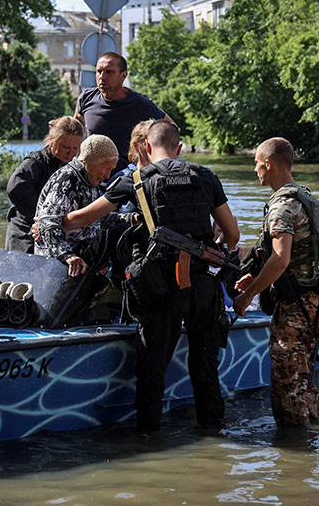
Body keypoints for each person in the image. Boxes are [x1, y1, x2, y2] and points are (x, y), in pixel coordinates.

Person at [58, 120, 239, 431]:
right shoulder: (206, 176)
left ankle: (148, 440)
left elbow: (81, 219)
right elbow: (232, 234)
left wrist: (49, 222)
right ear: (179, 149)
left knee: (152, 369)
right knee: (206, 367)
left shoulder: (137, 180)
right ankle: (213, 435)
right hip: (203, 288)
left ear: (146, 148)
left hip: (160, 288)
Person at [232, 138, 319, 428]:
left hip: (294, 311)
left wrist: (249, 294)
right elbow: (292, 260)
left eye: (256, 163)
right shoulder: (302, 197)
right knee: (302, 382)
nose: (255, 169)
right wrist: (260, 277)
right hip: (312, 302)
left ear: (269, 163)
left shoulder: (282, 206)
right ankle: (313, 447)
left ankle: (294, 459)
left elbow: (281, 259)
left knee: (289, 388)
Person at [35, 134, 128, 277]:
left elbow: (99, 219)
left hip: (85, 254)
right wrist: (68, 256)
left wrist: (130, 218)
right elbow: (48, 222)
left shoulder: (91, 181)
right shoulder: (67, 178)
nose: (108, 176)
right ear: (91, 162)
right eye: (106, 168)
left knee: (126, 230)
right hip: (58, 260)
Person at [74, 52, 173, 173]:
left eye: (109, 72)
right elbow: (75, 131)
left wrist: (152, 157)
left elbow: (170, 127)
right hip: (93, 177)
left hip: (126, 179)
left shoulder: (140, 103)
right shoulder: (87, 98)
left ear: (123, 76)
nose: (102, 77)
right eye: (99, 71)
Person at [5, 116, 85, 253]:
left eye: (75, 148)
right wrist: (43, 217)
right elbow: (15, 187)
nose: (70, 153)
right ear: (52, 140)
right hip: (25, 233)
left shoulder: (75, 166)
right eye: (65, 147)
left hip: (56, 232)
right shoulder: (36, 162)